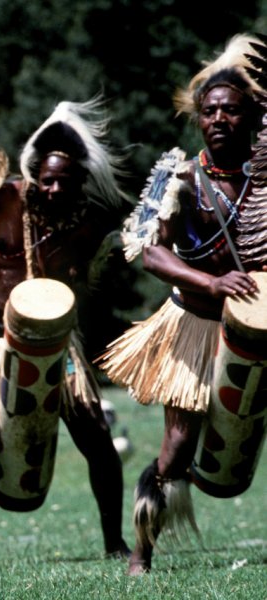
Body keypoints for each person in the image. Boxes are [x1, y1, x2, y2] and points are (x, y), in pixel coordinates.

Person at [0, 99, 132, 568]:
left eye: (65, 179)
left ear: (81, 180)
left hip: (55, 341)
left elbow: (89, 279)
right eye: (47, 178)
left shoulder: (87, 225)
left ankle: (113, 540)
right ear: (34, 174)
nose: (55, 187)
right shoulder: (3, 197)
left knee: (96, 435)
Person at [99, 34, 265, 575]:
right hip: (196, 322)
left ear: (252, 117)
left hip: (261, 324)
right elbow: (152, 254)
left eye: (232, 111)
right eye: (210, 111)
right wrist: (211, 284)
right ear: (198, 119)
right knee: (177, 443)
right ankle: (142, 552)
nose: (219, 119)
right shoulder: (182, 177)